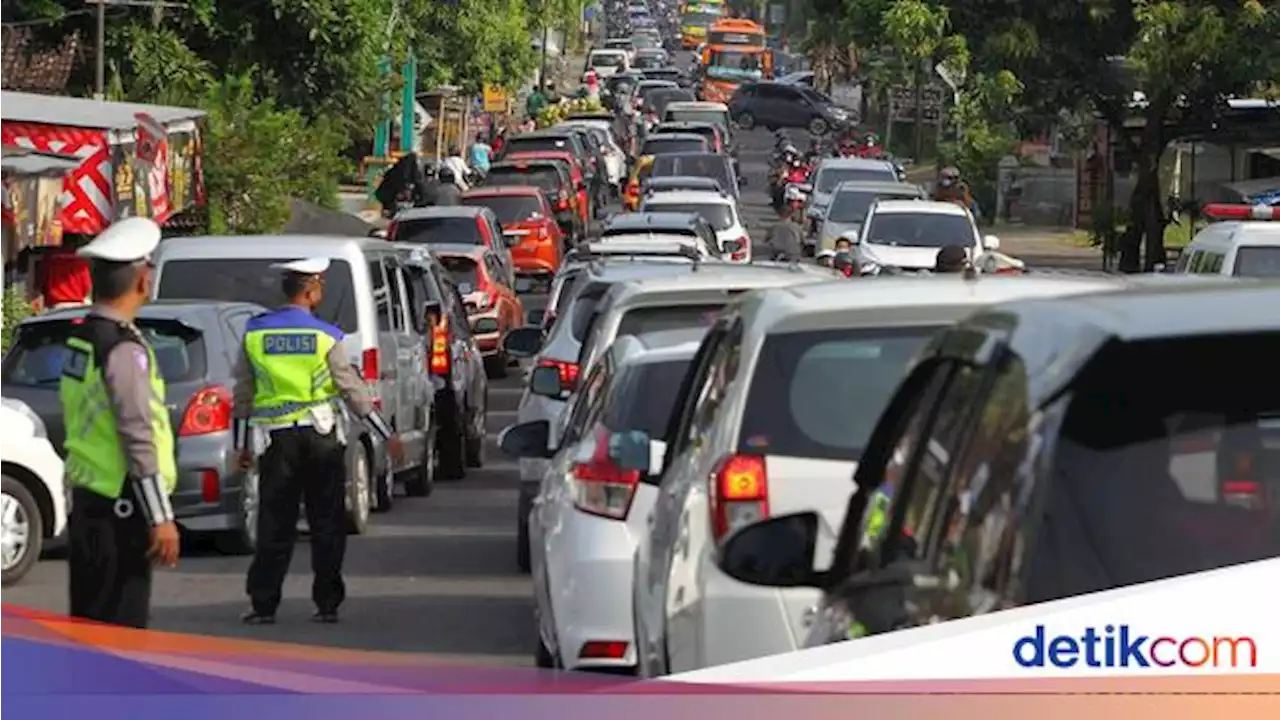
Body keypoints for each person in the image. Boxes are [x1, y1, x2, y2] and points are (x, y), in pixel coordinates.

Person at [233, 258, 405, 625]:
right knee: (325, 522)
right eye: (320, 286)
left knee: (274, 524)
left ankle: (264, 604)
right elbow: (352, 391)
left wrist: (241, 446)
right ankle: (327, 603)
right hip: (321, 437)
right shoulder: (326, 336)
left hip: (275, 441)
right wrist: (385, 433)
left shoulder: (254, 334)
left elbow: (243, 396)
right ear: (309, 291)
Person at [60, 217, 180, 629]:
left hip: (89, 502)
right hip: (120, 509)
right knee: (121, 630)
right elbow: (137, 433)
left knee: (90, 628)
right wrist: (161, 517)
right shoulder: (124, 349)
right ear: (143, 281)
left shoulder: (81, 338)